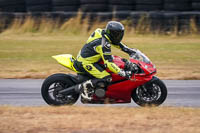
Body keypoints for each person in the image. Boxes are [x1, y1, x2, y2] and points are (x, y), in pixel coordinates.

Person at [73, 21, 137, 101]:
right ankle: (86, 91)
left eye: (120, 34)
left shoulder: (102, 32)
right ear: (111, 34)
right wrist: (123, 73)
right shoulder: (103, 44)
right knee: (106, 78)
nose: (118, 36)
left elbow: (116, 43)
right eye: (116, 34)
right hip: (85, 62)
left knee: (118, 60)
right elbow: (109, 64)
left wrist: (131, 51)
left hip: (90, 58)